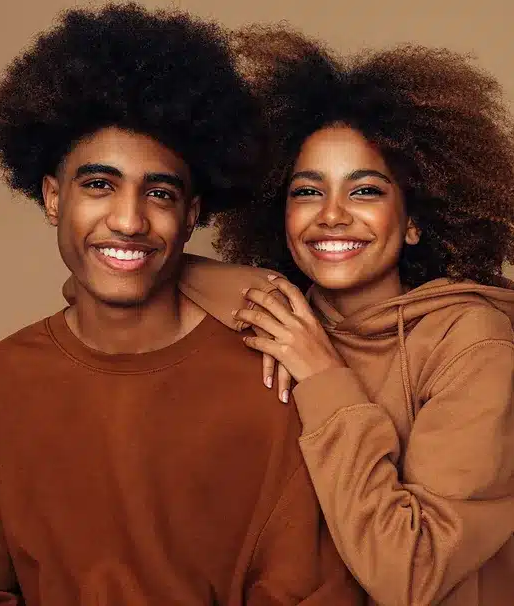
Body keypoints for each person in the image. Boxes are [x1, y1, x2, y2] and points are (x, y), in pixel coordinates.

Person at [0, 7, 364, 604]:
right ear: (53, 196)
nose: (129, 221)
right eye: (99, 185)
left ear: (191, 215)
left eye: (159, 193)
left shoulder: (272, 380)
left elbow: (310, 593)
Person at [173, 27, 514, 606]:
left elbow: (412, 573)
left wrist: (325, 376)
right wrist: (266, 286)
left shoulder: (473, 342)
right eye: (307, 192)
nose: (331, 215)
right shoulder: (284, 316)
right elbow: (108, 280)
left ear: (413, 220)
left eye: (364, 192)